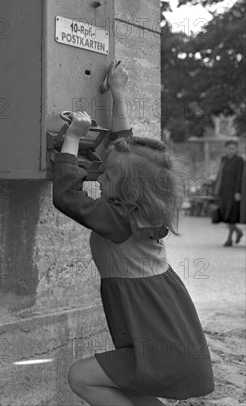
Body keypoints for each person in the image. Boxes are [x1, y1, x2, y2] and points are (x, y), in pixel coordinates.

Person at [52, 60, 214, 406]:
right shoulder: (145, 209)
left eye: (107, 177)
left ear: (127, 188)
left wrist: (72, 140)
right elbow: (126, 151)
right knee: (134, 394)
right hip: (165, 323)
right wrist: (118, 95)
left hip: (157, 330)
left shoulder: (119, 219)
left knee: (80, 377)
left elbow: (67, 198)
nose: (101, 178)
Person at [214, 140, 244, 246]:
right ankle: (238, 231)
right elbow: (220, 175)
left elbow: (239, 177)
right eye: (229, 148)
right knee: (224, 214)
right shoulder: (224, 160)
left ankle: (229, 238)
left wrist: (238, 192)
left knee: (231, 215)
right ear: (225, 149)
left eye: (233, 148)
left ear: (236, 149)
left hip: (233, 192)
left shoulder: (239, 161)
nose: (231, 150)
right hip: (223, 191)